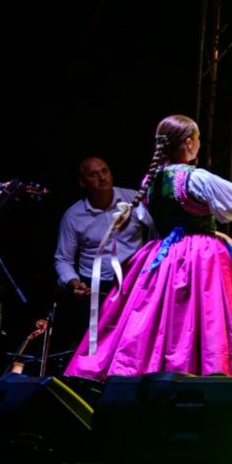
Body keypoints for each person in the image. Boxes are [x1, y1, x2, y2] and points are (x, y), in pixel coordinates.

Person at [65, 114, 232, 384]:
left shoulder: (151, 181)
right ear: (190, 142)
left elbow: (167, 224)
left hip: (160, 257)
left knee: (160, 321)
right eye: (198, 139)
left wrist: (217, 233)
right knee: (203, 317)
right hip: (200, 259)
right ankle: (205, 374)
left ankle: (151, 375)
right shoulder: (195, 178)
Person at [51, 156, 151, 373]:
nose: (102, 178)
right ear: (82, 182)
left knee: (133, 344)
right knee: (95, 349)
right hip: (95, 289)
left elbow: (158, 230)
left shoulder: (133, 200)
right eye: (93, 175)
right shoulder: (73, 215)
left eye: (104, 171)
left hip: (135, 284)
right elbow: (63, 259)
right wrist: (74, 282)